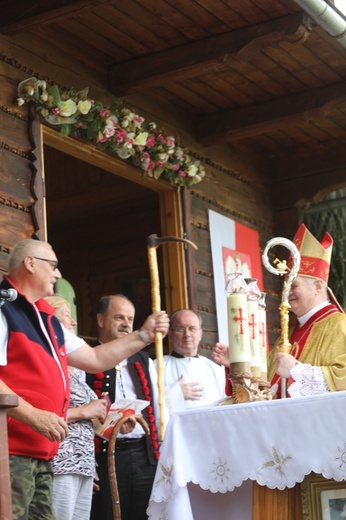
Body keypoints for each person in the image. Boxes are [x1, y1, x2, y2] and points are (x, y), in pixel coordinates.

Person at [0, 238, 169, 520]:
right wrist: (33, 416)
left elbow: (94, 359)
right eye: (53, 266)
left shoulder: (48, 318)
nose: (58, 274)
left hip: (42, 451)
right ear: (30, 264)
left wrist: (143, 335)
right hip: (10, 448)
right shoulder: (3, 307)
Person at [213, 224, 346, 398]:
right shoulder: (288, 335)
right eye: (286, 286)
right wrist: (239, 364)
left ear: (318, 286)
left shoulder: (340, 325)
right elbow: (265, 389)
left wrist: (297, 371)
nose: (287, 292)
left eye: (294, 285)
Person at [87, 294, 169, 520]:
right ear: (101, 320)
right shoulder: (86, 359)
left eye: (130, 319)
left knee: (146, 514)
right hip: (106, 457)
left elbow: (160, 408)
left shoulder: (144, 359)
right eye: (119, 318)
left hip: (144, 454)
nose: (126, 324)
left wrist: (162, 452)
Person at [46, 295, 107, 520]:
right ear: (50, 321)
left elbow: (85, 420)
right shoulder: (48, 362)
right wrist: (84, 411)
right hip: (59, 463)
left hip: (82, 463)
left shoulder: (77, 369)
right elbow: (39, 413)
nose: (74, 322)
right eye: (66, 316)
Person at [156, 309, 226, 414]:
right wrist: (174, 394)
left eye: (192, 329)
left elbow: (225, 405)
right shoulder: (156, 367)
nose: (187, 334)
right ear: (170, 334)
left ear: (200, 334)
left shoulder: (215, 370)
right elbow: (148, 404)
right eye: (180, 329)